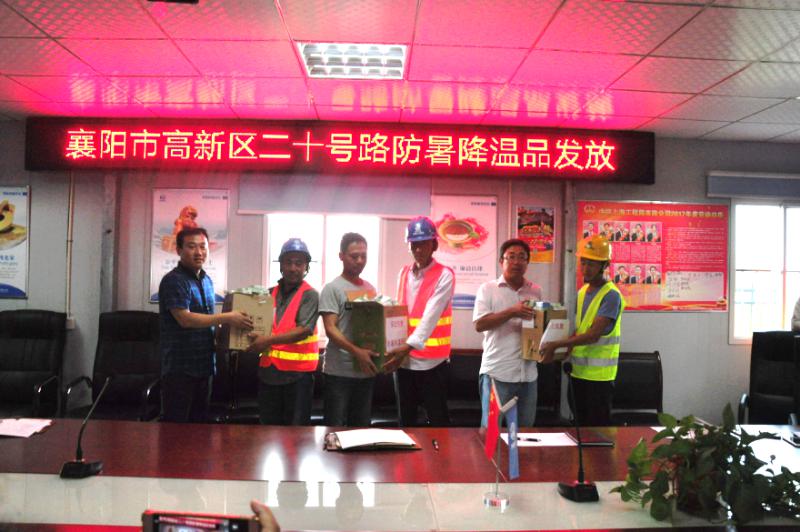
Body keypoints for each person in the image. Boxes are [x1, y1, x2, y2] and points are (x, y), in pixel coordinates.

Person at [158, 227, 253, 423]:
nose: (199, 252)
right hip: (180, 370)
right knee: (175, 430)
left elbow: (208, 321)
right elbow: (185, 319)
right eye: (192, 246)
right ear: (179, 250)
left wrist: (228, 336)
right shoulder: (173, 281)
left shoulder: (207, 280)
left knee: (199, 428)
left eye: (203, 247)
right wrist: (228, 318)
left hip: (205, 366)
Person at [540, 234, 624, 427]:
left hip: (599, 378)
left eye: (591, 264)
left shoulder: (611, 295)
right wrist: (564, 348)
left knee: (597, 432)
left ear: (604, 265)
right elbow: (581, 330)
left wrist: (557, 344)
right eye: (583, 263)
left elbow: (593, 335)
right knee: (579, 428)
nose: (585, 269)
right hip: (577, 373)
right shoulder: (582, 292)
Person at [384, 216, 455, 427]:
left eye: (423, 243)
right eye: (413, 244)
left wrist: (403, 350)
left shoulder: (445, 275)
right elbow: (397, 314)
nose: (418, 249)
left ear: (434, 245)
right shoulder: (403, 273)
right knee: (406, 422)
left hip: (432, 363)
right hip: (404, 362)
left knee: (438, 423)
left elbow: (430, 318)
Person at [247, 238, 319, 425]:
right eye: (288, 262)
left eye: (299, 263)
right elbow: (256, 326)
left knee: (296, 435)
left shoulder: (310, 295)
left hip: (298, 378)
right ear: (280, 265)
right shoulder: (267, 294)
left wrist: (266, 341)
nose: (293, 268)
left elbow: (304, 330)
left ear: (306, 267)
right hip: (269, 374)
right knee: (268, 433)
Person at [473, 239, 543, 428]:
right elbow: (479, 324)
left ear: (527, 262)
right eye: (511, 257)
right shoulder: (488, 289)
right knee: (491, 433)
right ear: (501, 261)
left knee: (526, 434)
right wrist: (512, 311)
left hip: (528, 375)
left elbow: (538, 327)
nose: (516, 262)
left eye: (522, 257)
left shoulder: (536, 291)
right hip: (497, 374)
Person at [319, 233, 379, 427]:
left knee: (361, 431)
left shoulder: (370, 289)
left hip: (365, 371)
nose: (360, 261)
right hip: (339, 374)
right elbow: (330, 329)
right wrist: (357, 352)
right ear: (341, 256)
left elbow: (375, 328)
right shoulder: (332, 288)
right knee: (334, 430)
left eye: (364, 256)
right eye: (354, 256)